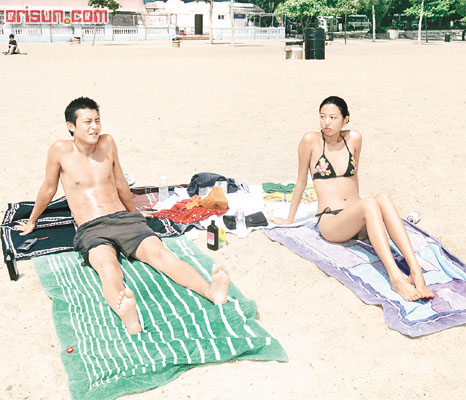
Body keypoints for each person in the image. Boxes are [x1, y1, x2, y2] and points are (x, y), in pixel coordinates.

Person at [18, 97, 230, 334]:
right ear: (71, 126)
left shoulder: (108, 143)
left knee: (160, 254)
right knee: (107, 266)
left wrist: (134, 213)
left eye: (97, 120)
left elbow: (120, 181)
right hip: (91, 228)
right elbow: (49, 188)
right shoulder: (60, 150)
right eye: (87, 122)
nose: (94, 127)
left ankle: (211, 291)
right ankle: (128, 317)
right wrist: (33, 220)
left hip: (123, 218)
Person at [270, 96, 434, 302]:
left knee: (382, 197)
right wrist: (289, 219)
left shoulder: (354, 139)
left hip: (357, 220)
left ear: (345, 119)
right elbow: (301, 181)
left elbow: (354, 177)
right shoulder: (310, 141)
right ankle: (395, 278)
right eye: (322, 116)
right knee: (369, 203)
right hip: (332, 222)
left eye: (333, 117)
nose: (326, 122)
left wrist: (367, 214)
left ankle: (416, 272)